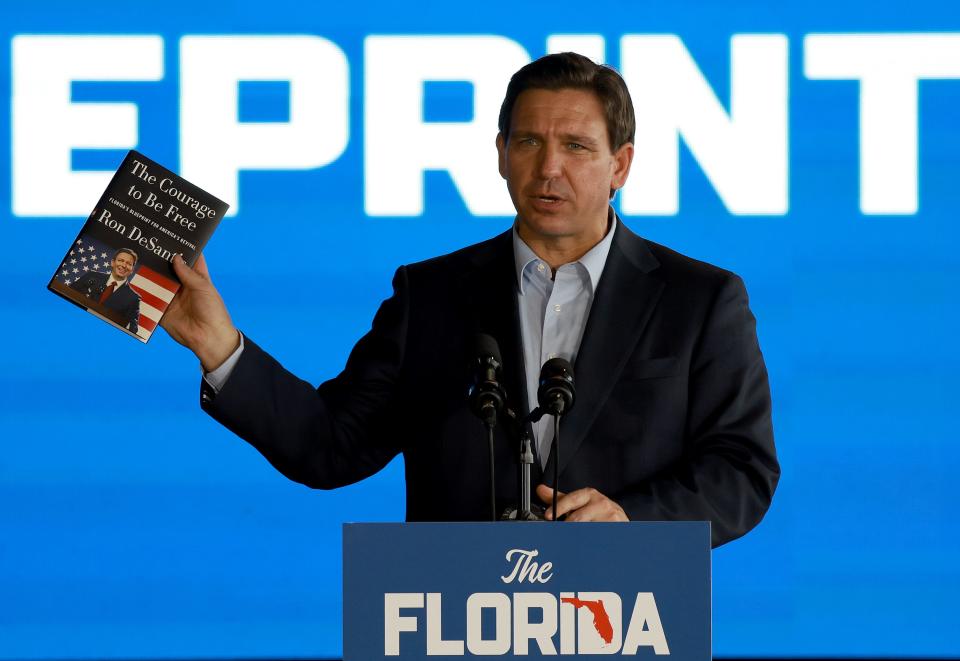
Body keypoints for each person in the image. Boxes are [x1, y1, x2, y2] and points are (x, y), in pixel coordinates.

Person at [161, 53, 779, 546]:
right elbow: (331, 446)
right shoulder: (430, 295)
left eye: (577, 147)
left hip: (623, 621)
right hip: (453, 623)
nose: (549, 169)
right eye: (529, 143)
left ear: (621, 165)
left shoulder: (701, 300)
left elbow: (741, 470)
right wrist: (219, 346)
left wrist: (632, 520)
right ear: (501, 156)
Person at [70, 247, 141, 333]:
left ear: (132, 270)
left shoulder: (133, 298)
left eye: (129, 263)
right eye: (121, 260)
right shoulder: (92, 276)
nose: (124, 265)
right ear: (112, 262)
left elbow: (132, 329)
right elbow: (68, 293)